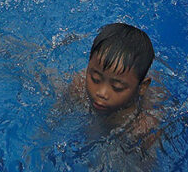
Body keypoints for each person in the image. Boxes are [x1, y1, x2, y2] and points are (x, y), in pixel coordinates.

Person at [65, 23, 163, 153]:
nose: (101, 93)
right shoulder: (79, 86)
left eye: (117, 87)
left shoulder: (143, 128)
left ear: (142, 87)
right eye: (95, 79)